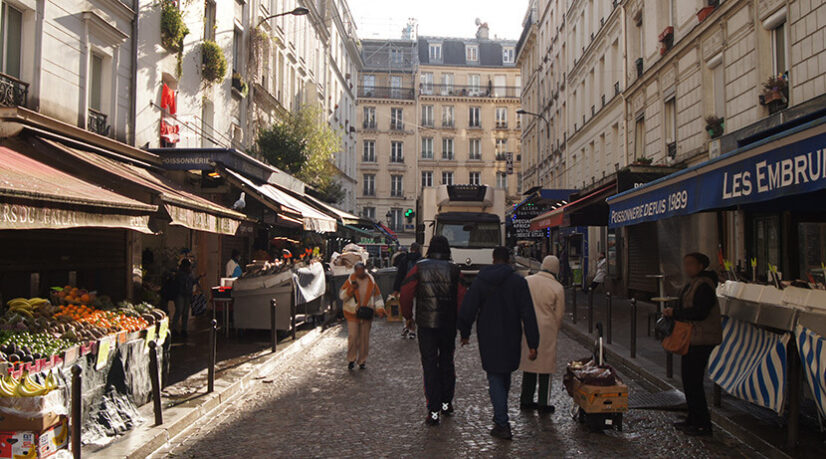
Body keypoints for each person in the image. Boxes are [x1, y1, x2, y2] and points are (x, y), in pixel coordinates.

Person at [458, 246, 539, 440]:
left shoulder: (481, 281)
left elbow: (468, 307)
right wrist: (533, 342)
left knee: (495, 376)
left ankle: (502, 423)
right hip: (512, 334)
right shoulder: (518, 282)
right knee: (504, 374)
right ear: (509, 260)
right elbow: (528, 313)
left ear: (493, 259)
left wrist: (465, 332)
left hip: (488, 335)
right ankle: (500, 418)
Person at [400, 236, 465, 426]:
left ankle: (433, 410)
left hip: (426, 324)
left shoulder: (419, 267)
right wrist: (462, 325)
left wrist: (408, 317)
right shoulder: (455, 270)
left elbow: (405, 293)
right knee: (446, 362)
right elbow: (462, 299)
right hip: (448, 324)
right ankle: (446, 403)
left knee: (429, 365)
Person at [663, 252, 722, 437]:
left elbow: (700, 311)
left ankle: (703, 424)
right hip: (694, 336)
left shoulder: (704, 285)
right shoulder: (695, 282)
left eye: (691, 264)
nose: (687, 268)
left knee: (693, 380)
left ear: (701, 266)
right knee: (689, 379)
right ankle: (694, 418)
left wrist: (676, 313)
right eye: (685, 264)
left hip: (702, 337)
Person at [519, 255, 565, 413]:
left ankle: (526, 398)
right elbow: (559, 314)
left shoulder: (528, 280)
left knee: (529, 363)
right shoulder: (557, 287)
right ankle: (543, 402)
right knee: (546, 367)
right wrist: (555, 328)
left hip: (528, 326)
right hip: (547, 329)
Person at [339, 262, 385, 370]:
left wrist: (379, 308)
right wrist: (350, 290)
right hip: (352, 313)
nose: (360, 272)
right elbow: (342, 296)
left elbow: (377, 296)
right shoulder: (350, 281)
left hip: (367, 313)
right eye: (357, 270)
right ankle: (351, 359)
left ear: (364, 270)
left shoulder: (371, 281)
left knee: (364, 338)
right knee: (353, 337)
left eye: (361, 270)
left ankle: (362, 360)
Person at [393, 242, 422, 339]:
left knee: (406, 309)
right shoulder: (422, 260)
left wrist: (396, 289)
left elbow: (399, 275)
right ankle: (412, 329)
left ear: (411, 249)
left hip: (406, 287)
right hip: (420, 288)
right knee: (415, 308)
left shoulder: (404, 259)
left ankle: (408, 327)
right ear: (419, 249)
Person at [171, 258, 202, 339]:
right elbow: (188, 282)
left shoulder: (188, 273)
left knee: (184, 312)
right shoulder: (180, 274)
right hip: (180, 294)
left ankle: (183, 329)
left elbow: (192, 282)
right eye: (189, 266)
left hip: (187, 295)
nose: (190, 267)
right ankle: (175, 328)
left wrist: (199, 277)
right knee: (180, 311)